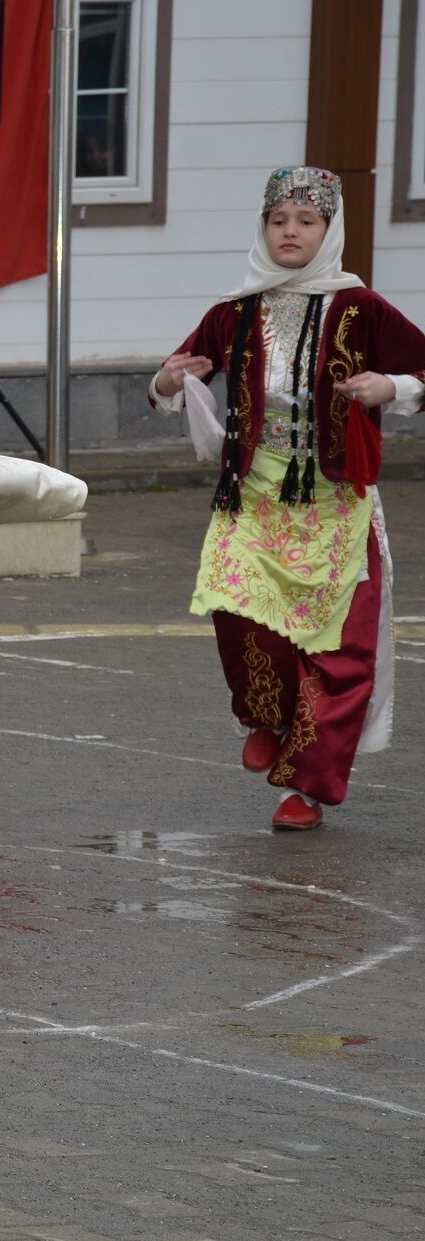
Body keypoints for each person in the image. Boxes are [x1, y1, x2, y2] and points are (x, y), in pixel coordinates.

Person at [150, 167, 425, 830]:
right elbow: (177, 376)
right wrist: (166, 380)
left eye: (306, 222)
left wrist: (390, 389)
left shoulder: (362, 310)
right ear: (263, 230)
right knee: (237, 607)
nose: (291, 233)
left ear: (329, 232)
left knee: (338, 648)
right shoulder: (234, 311)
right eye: (280, 222)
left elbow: (421, 366)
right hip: (255, 492)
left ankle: (305, 788)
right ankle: (267, 715)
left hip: (335, 498)